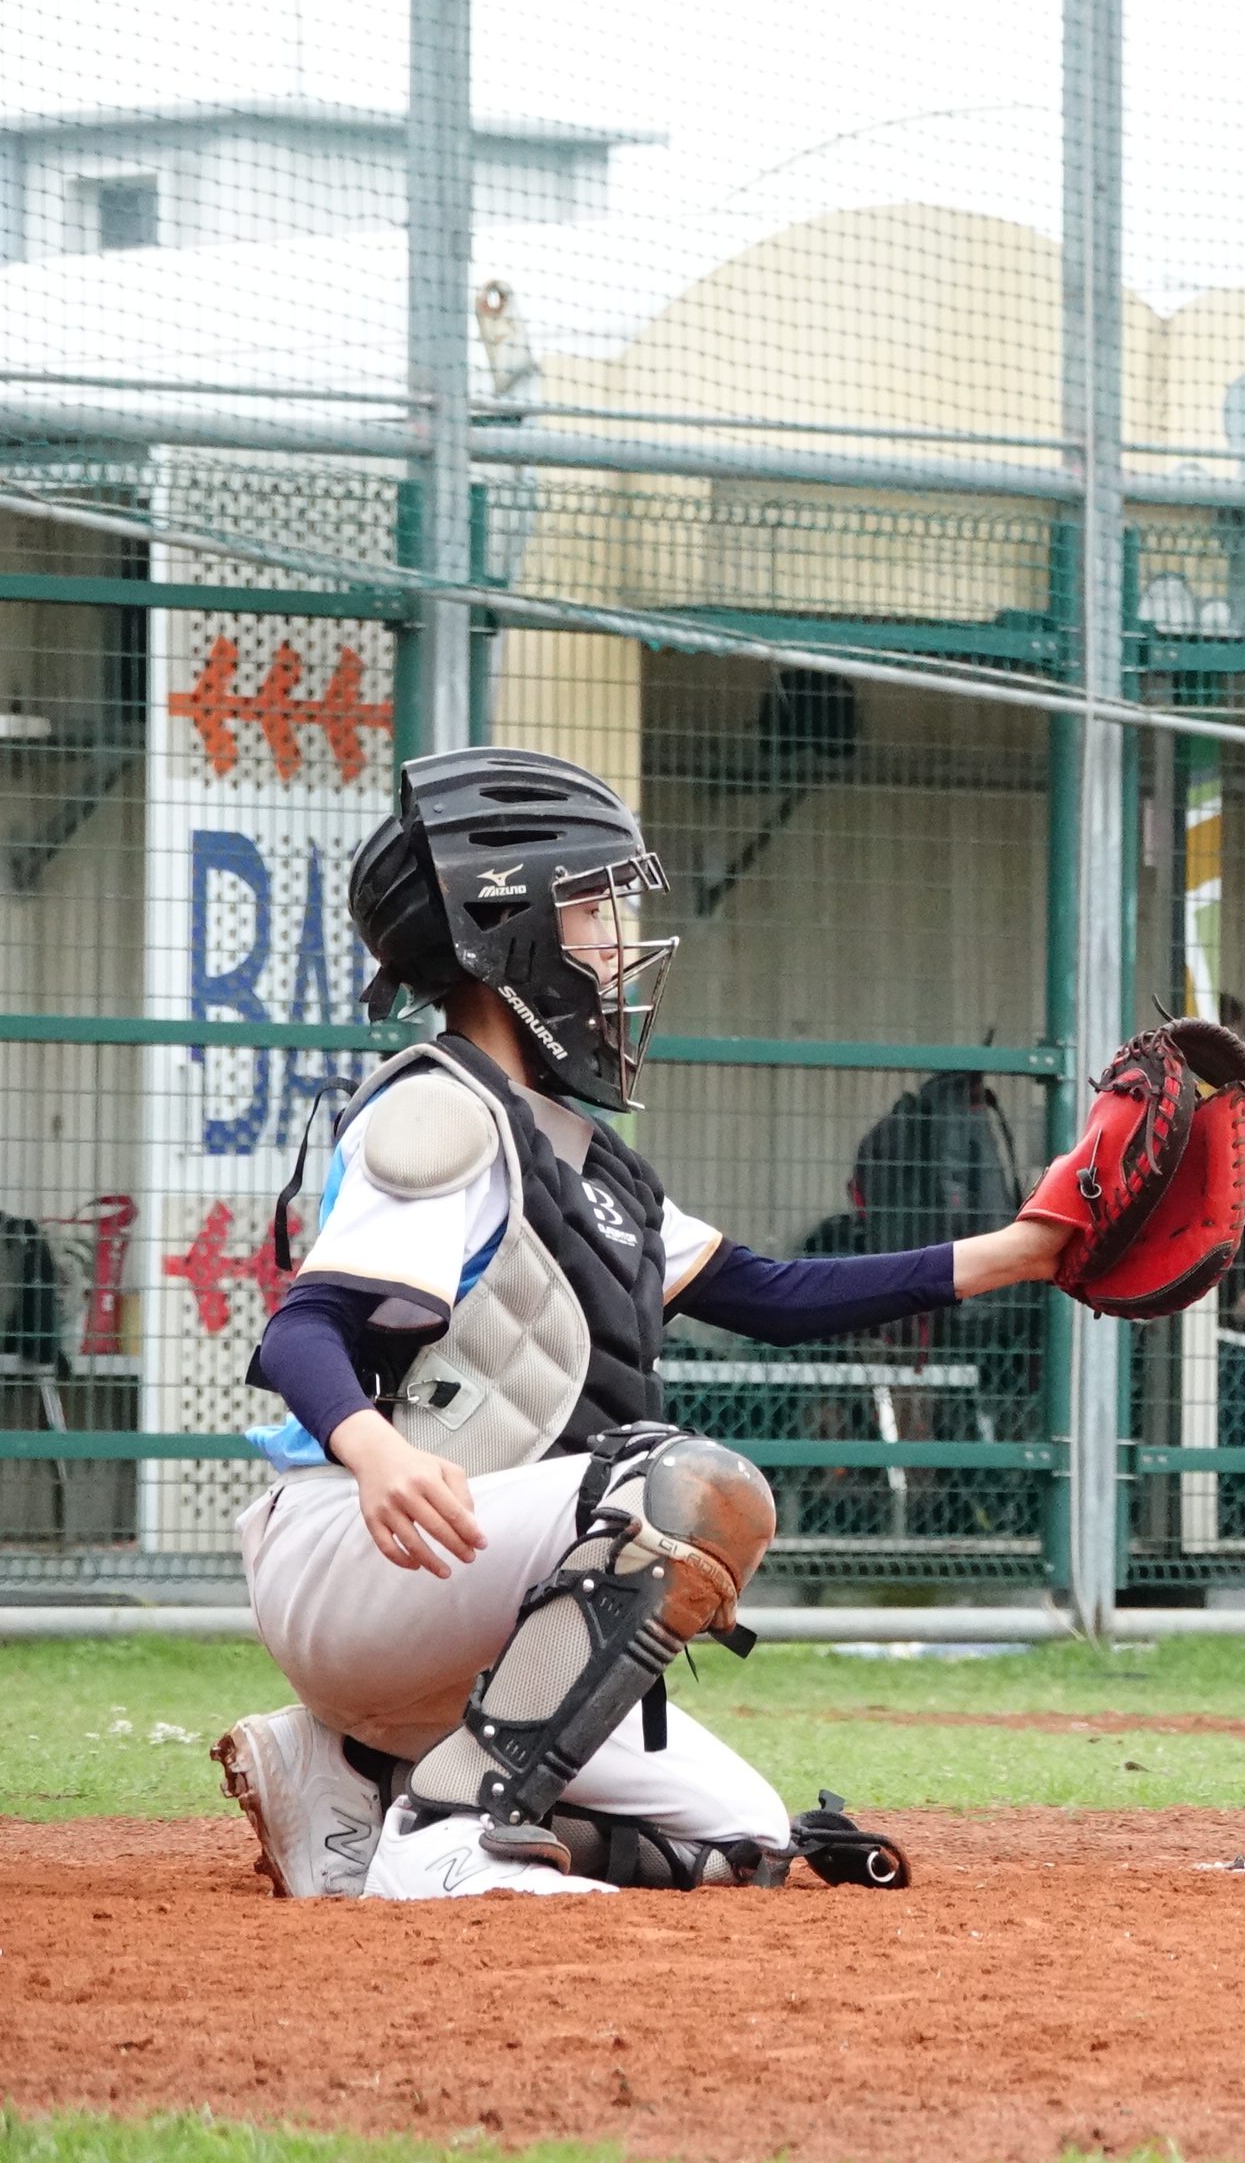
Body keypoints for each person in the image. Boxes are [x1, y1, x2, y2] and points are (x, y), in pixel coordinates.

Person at [210, 747, 1071, 1898]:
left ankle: (355, 1780)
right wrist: (374, 1453)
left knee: (748, 1840)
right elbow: (303, 1329)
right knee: (684, 1487)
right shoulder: (440, 1111)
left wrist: (1025, 1251)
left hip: (462, 1605)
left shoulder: (584, 1161)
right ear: (504, 928)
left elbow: (768, 1295)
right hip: (359, 1560)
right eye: (591, 906)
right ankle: (447, 1834)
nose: (618, 940)